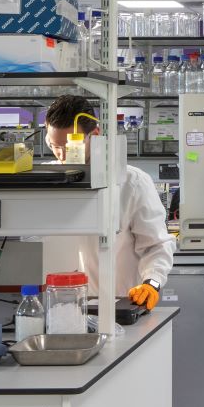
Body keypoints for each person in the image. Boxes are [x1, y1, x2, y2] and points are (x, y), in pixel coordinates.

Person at [43, 94, 174, 311]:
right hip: (60, 306)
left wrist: (151, 283)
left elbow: (157, 246)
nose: (62, 155)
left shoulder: (132, 182)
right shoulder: (43, 180)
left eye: (71, 145)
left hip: (120, 304)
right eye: (55, 146)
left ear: (94, 135)